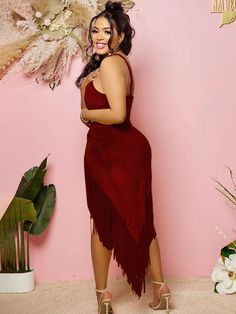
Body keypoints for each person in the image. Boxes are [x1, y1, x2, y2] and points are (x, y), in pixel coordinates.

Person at [76, 1, 171, 313]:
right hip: (110, 150)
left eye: (107, 31)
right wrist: (85, 94)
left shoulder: (111, 64)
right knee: (141, 221)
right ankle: (161, 288)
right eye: (95, 30)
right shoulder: (113, 64)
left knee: (103, 223)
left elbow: (117, 114)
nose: (99, 36)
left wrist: (84, 111)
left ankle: (102, 295)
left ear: (120, 36)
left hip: (116, 150)